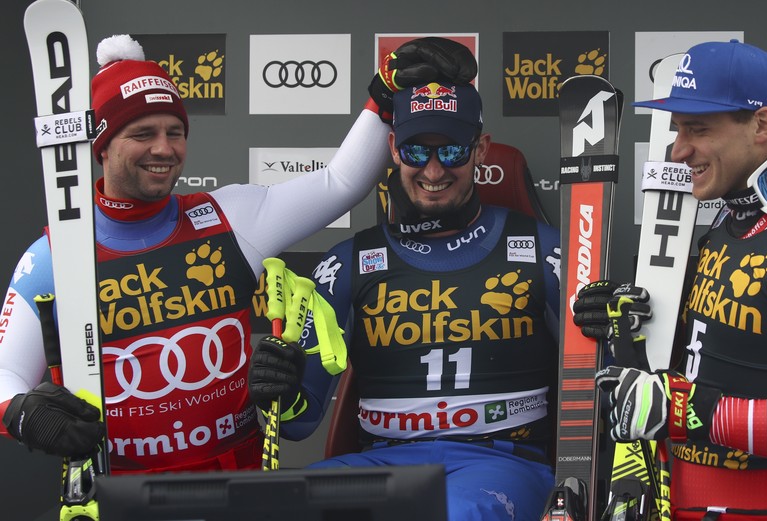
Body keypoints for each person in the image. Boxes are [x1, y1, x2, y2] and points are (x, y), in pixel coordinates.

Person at [0, 34, 477, 474]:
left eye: (175, 131)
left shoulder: (229, 217)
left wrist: (383, 94)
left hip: (236, 486)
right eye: (142, 134)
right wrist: (22, 413)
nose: (164, 148)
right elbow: (6, 373)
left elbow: (340, 182)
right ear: (102, 146)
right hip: (122, 492)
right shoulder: (54, 255)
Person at [576, 40, 767, 520]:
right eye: (677, 130)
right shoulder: (731, 221)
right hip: (674, 496)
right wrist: (625, 325)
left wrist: (687, 410)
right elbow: (719, 355)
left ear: (761, 125)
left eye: (698, 129)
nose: (679, 149)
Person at [247, 80, 562, 520]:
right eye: (417, 152)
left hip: (503, 463)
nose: (434, 172)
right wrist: (278, 385)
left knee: (457, 512)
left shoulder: (543, 249)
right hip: (379, 464)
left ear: (481, 149)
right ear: (393, 149)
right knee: (279, 506)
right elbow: (298, 422)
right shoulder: (351, 261)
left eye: (451, 151)